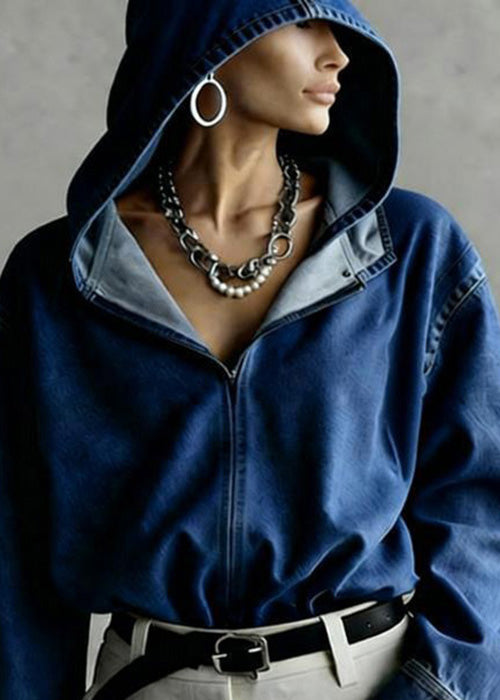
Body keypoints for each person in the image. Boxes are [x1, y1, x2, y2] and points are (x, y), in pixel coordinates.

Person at [1, 1, 500, 699]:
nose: (338, 54)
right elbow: (15, 551)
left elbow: (479, 504)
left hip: (368, 682)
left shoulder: (409, 248)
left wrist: (438, 688)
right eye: (304, 22)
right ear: (209, 34)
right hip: (149, 683)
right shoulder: (59, 275)